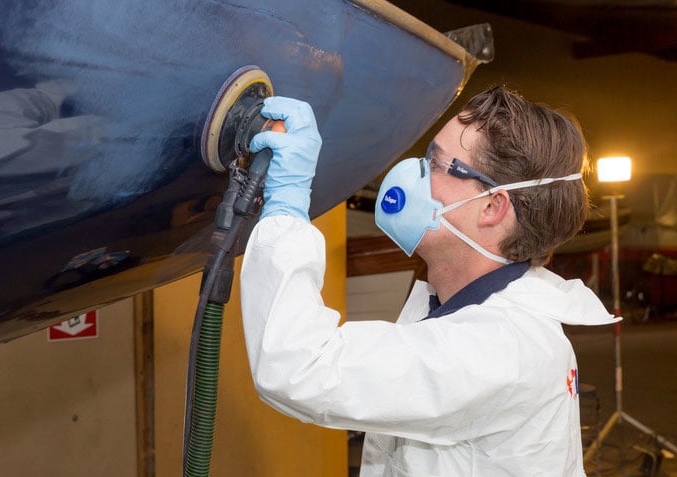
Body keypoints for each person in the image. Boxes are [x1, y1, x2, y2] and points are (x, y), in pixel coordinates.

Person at [240, 87, 620, 476]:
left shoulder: (496, 349)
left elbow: (300, 365)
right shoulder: (455, 307)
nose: (413, 173)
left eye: (435, 164)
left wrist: (285, 206)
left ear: (492, 207)